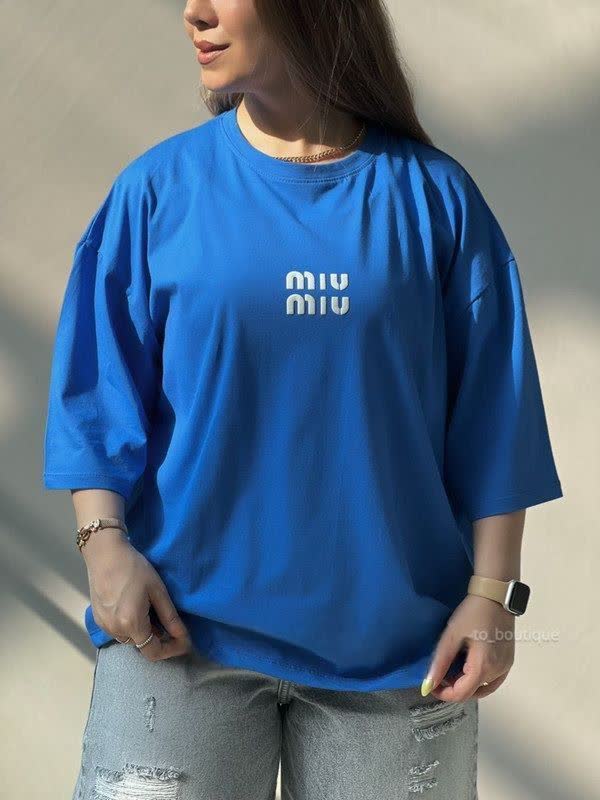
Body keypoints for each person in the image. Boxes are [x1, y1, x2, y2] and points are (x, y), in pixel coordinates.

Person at [42, 2, 563, 798]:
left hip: (399, 658)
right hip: (176, 638)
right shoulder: (157, 191)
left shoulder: (434, 199)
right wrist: (103, 548)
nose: (194, 11)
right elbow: (96, 385)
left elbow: (497, 412)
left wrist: (494, 599)